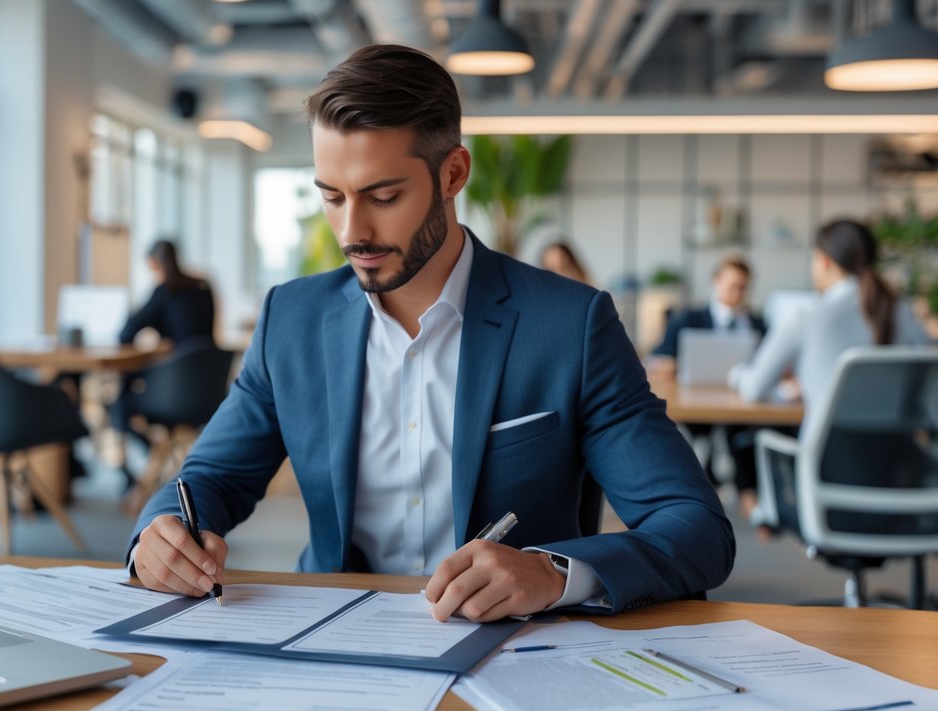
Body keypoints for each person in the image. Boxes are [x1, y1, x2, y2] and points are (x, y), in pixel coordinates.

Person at [128, 44, 733, 623]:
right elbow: (208, 479)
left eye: (383, 195)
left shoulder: (570, 325)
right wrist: (158, 536)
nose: (352, 231)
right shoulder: (294, 319)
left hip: (512, 651)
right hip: (336, 637)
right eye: (332, 197)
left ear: (453, 173)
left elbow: (694, 525)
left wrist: (551, 571)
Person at [730, 219, 929, 431]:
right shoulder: (903, 312)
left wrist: (735, 374)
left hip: (825, 460)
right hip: (900, 458)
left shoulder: (806, 316)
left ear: (824, 261)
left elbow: (754, 389)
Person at [651, 257, 766, 517]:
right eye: (731, 285)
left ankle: (747, 494)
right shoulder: (688, 318)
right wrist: (675, 365)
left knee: (744, 430)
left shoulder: (757, 322)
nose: (737, 293)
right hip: (696, 402)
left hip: (741, 403)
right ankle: (704, 492)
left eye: (743, 287)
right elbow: (657, 358)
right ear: (716, 282)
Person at [111, 240, 217, 469]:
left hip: (172, 394)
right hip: (208, 391)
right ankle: (157, 455)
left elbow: (126, 333)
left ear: (153, 264)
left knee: (120, 402)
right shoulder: (204, 287)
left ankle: (151, 453)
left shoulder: (164, 292)